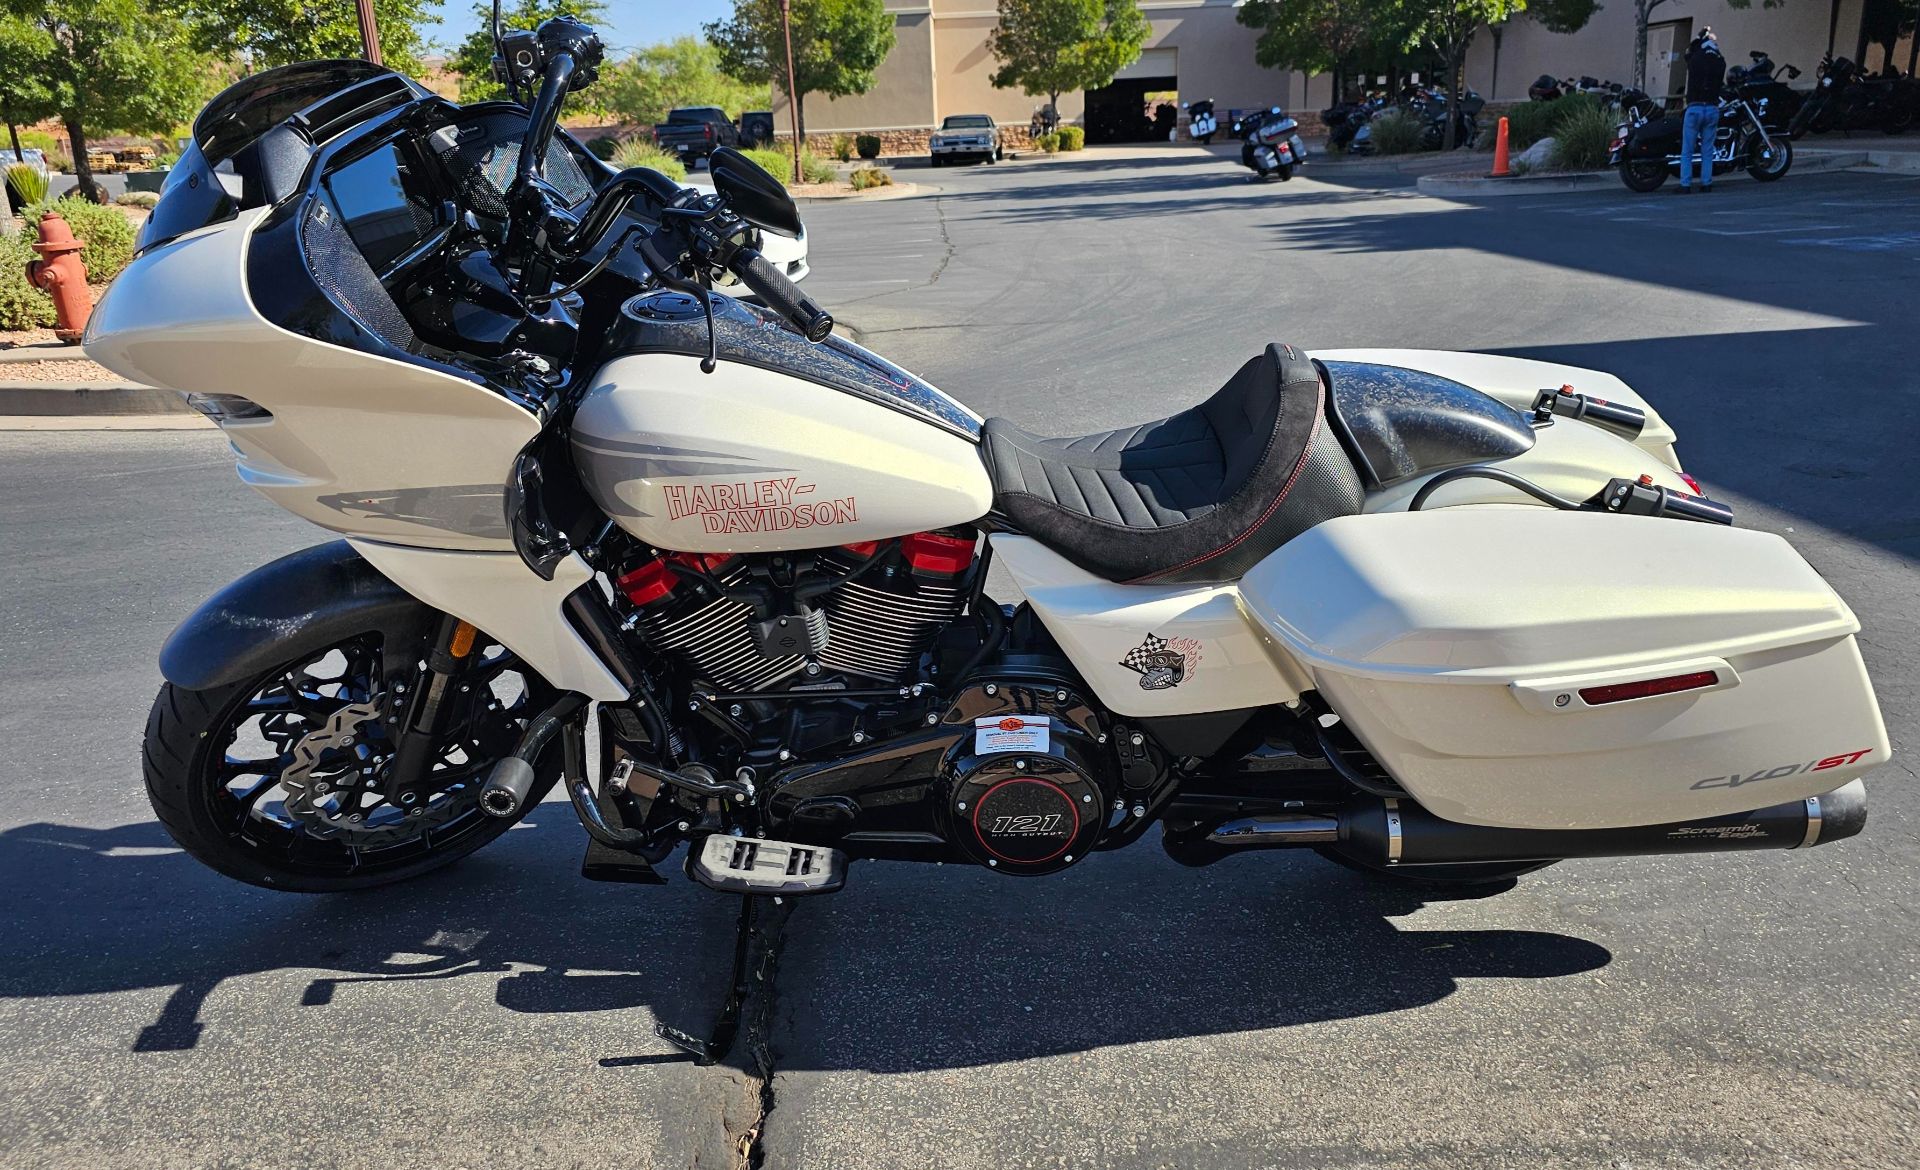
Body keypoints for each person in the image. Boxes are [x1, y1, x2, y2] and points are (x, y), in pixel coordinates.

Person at [1679, 28, 1726, 194]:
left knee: (1688, 150)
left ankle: (1685, 184)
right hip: (1712, 108)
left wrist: (1699, 37)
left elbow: (1689, 51)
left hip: (1695, 107)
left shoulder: (1695, 59)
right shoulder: (1721, 61)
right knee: (1707, 149)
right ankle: (1706, 183)